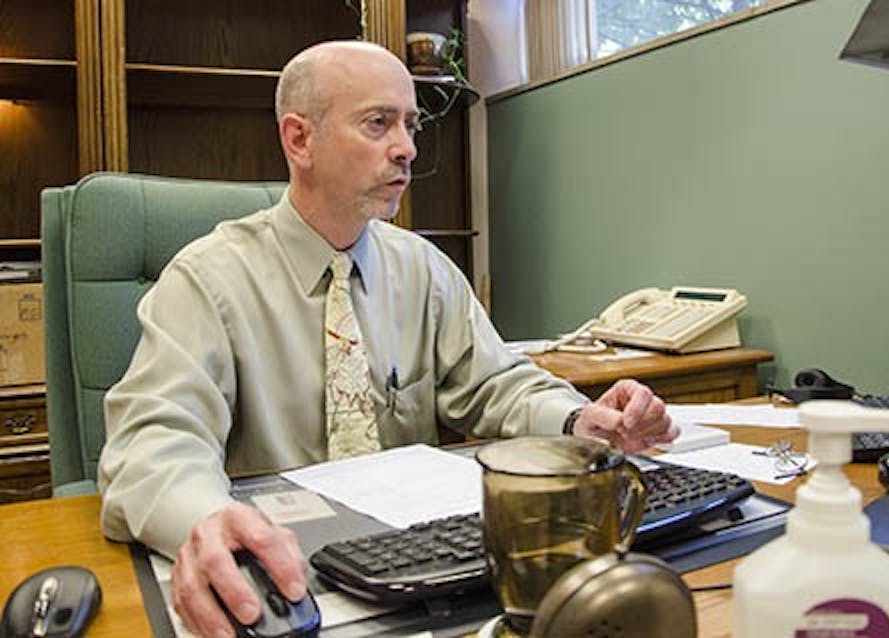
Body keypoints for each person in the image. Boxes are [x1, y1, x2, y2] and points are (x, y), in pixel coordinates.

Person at [97, 40, 677, 637]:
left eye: (410, 124)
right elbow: (154, 440)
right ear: (299, 140)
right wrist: (207, 519)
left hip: (415, 569)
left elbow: (495, 383)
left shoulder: (422, 268)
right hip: (285, 577)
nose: (407, 148)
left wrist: (579, 423)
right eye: (378, 123)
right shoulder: (206, 278)